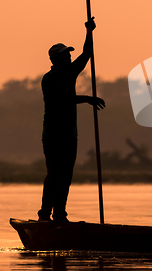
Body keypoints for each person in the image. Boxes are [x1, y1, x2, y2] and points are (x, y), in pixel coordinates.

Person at [37, 17, 106, 222]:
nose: (69, 58)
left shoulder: (70, 73)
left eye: (68, 55)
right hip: (53, 135)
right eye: (65, 56)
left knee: (66, 176)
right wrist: (87, 98)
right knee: (55, 174)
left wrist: (89, 31)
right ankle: (44, 215)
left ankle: (59, 214)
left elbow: (87, 54)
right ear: (54, 60)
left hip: (70, 135)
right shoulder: (49, 79)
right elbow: (63, 99)